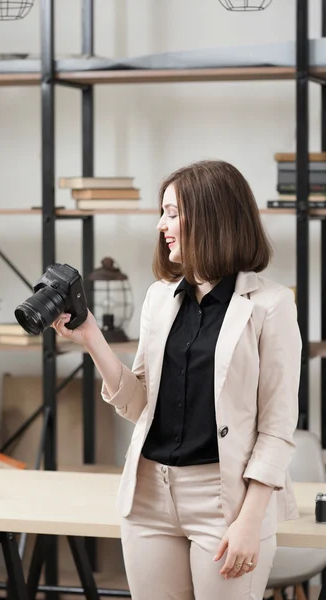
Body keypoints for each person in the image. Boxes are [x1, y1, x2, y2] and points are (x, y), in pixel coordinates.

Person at [52, 160, 302, 600]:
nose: (160, 225)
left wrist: (249, 519)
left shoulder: (271, 305)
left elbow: (277, 428)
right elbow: (138, 404)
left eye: (171, 212)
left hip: (224, 501)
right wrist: (90, 336)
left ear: (211, 217)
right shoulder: (159, 298)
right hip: (149, 494)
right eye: (162, 212)